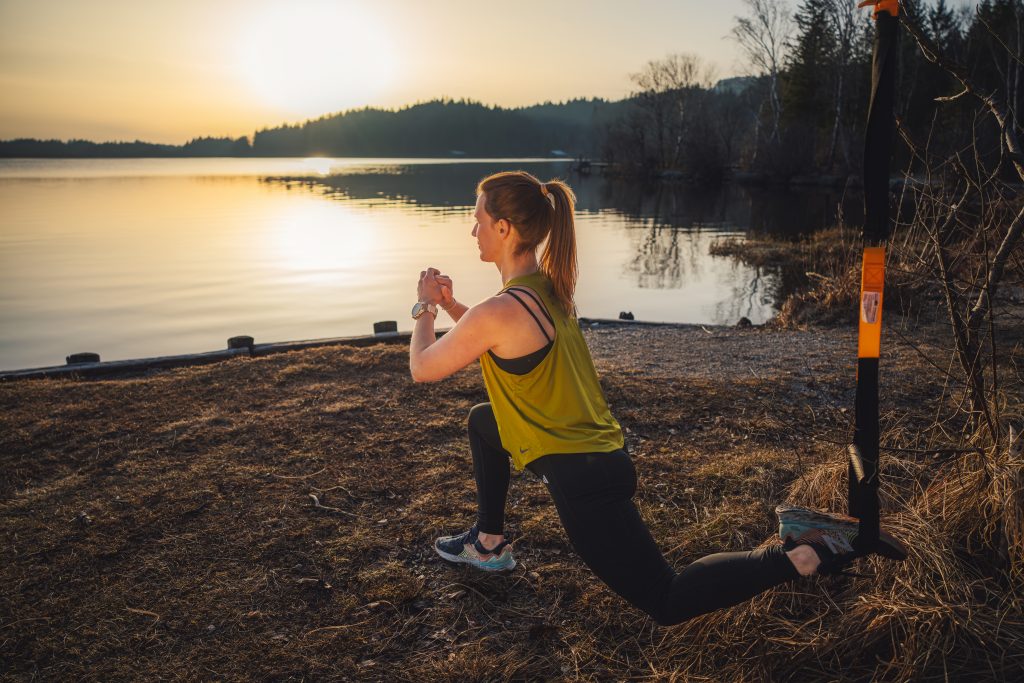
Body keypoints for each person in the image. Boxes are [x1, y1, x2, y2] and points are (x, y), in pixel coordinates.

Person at [407, 170, 907, 626]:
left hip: (583, 478)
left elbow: (423, 368)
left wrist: (425, 307)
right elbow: (491, 337)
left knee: (665, 598)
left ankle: (801, 553)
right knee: (484, 421)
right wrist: (452, 304)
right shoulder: (547, 291)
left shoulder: (504, 309)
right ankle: (489, 544)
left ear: (503, 229)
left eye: (477, 221)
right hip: (594, 458)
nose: (472, 231)